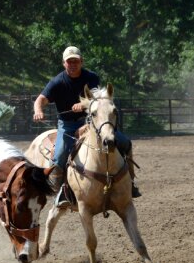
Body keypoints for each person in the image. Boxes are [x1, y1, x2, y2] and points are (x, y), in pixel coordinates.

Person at [32, 45, 139, 207]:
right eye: (69, 62)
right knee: (60, 153)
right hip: (67, 125)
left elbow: (97, 99)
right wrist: (38, 110)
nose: (73, 64)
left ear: (81, 61)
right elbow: (40, 99)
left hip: (91, 122)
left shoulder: (91, 77)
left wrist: (82, 105)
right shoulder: (57, 82)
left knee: (124, 142)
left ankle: (130, 183)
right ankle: (61, 191)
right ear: (64, 63)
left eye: (76, 61)